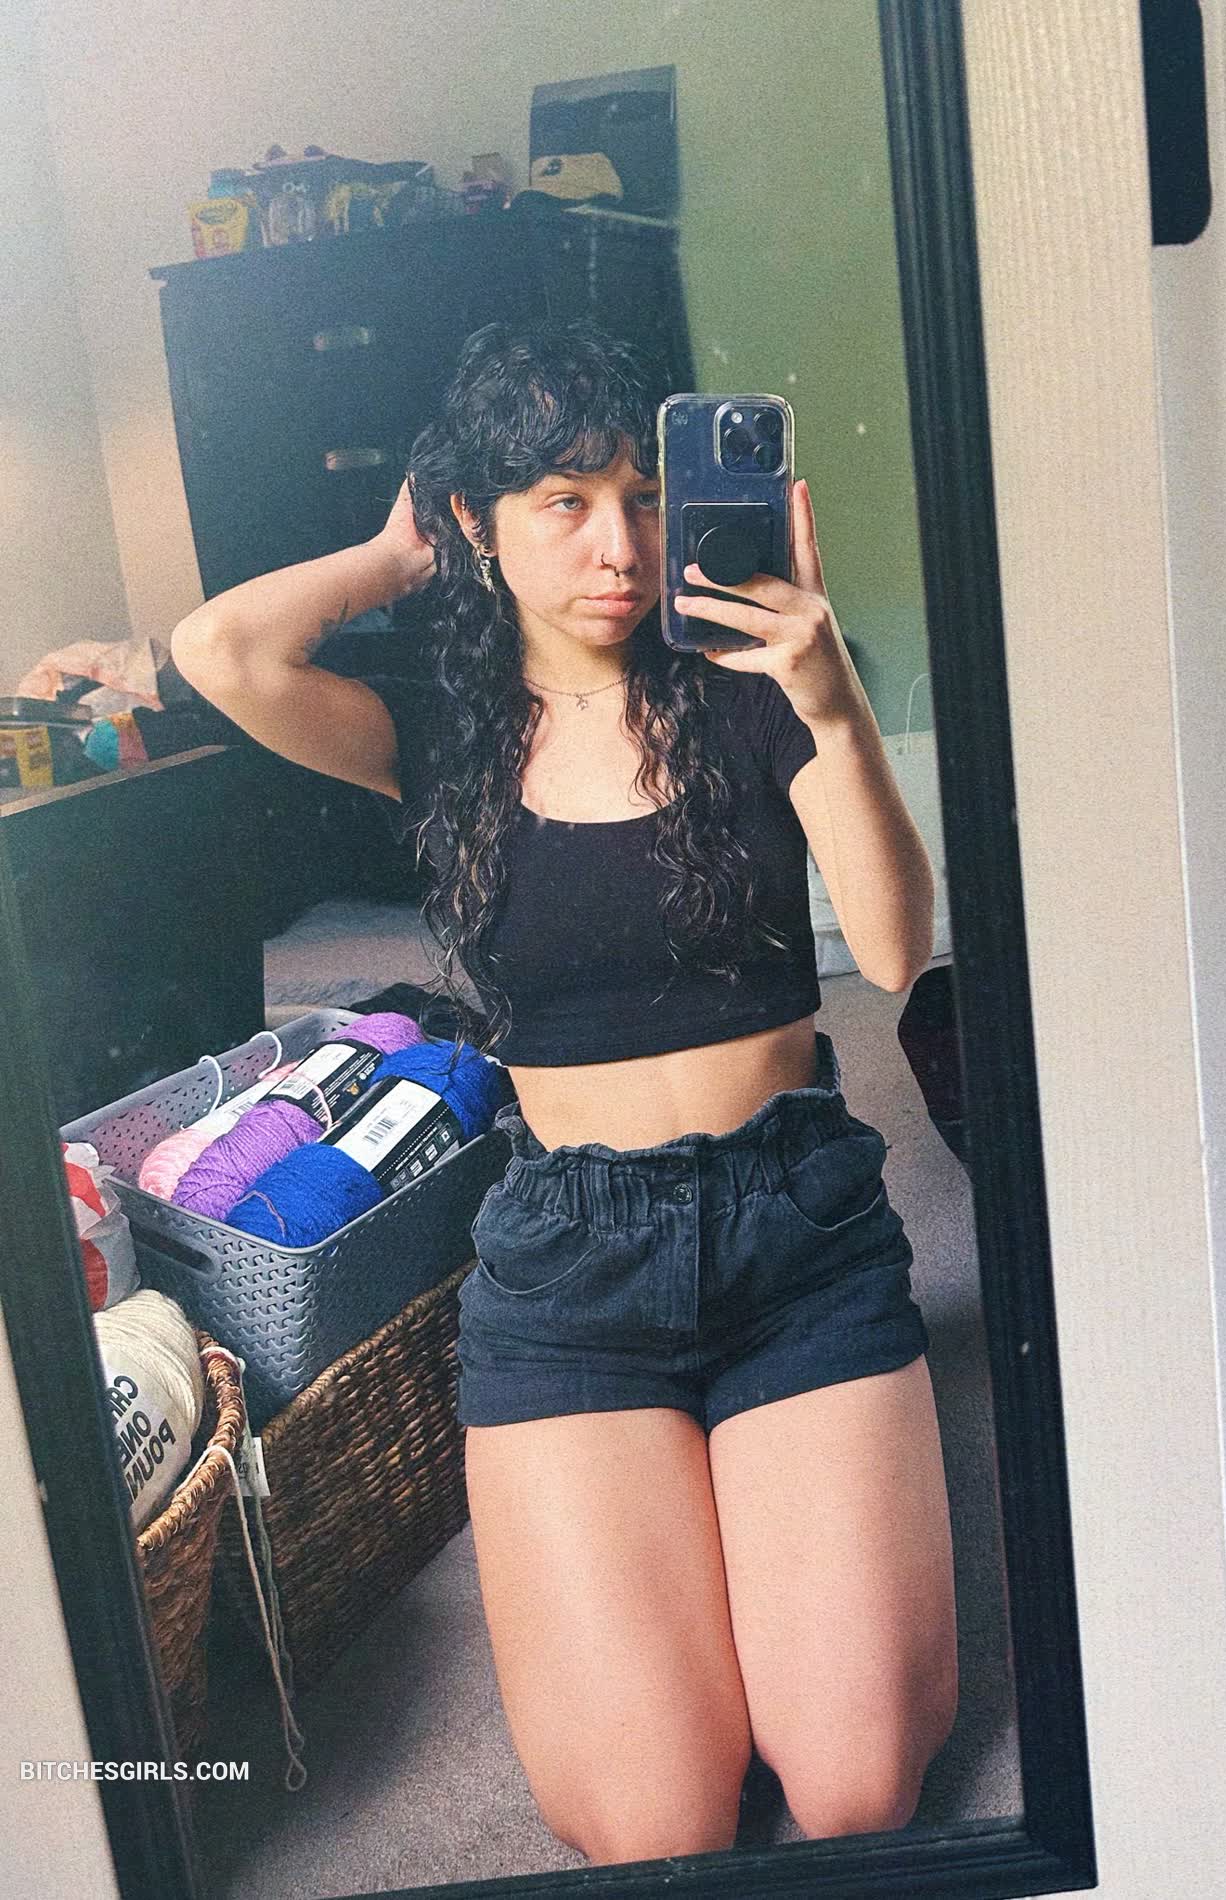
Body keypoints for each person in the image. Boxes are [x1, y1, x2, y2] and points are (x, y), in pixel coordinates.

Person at [171, 320, 958, 1866]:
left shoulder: (756, 682)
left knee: (855, 1790)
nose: (618, 545)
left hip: (796, 1231)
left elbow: (888, 944)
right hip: (569, 1271)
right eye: (563, 501)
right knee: (655, 1823)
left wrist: (825, 696)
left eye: (643, 495)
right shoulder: (440, 734)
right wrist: (394, 551)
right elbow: (222, 654)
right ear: (479, 522)